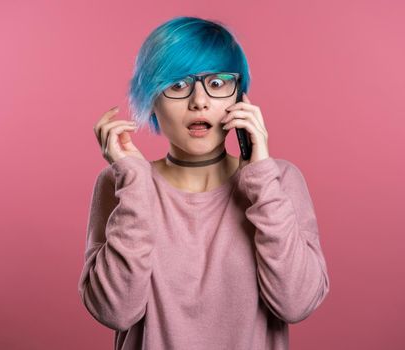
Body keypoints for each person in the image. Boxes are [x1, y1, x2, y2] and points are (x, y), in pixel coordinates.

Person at [78, 16, 330, 350]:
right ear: (151, 99)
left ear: (239, 96)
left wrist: (262, 179)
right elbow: (115, 311)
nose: (199, 101)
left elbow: (296, 303)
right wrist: (136, 185)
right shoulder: (121, 182)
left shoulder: (279, 180)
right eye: (178, 85)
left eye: (218, 82)